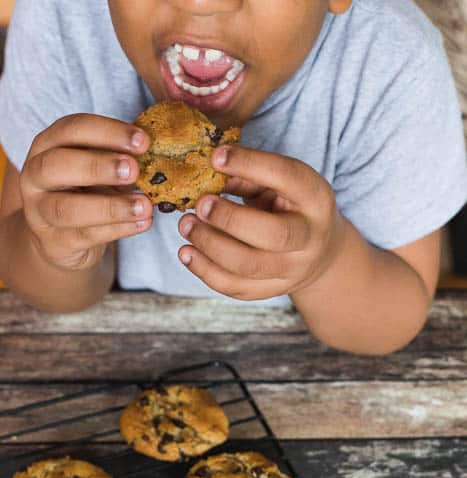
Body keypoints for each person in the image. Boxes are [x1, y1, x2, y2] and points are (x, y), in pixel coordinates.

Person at [0, 0, 466, 354]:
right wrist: (59, 253)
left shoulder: (392, 60)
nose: (202, 3)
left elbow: (391, 321)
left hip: (299, 365)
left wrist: (326, 264)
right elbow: (28, 269)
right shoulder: (58, 20)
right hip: (118, 349)